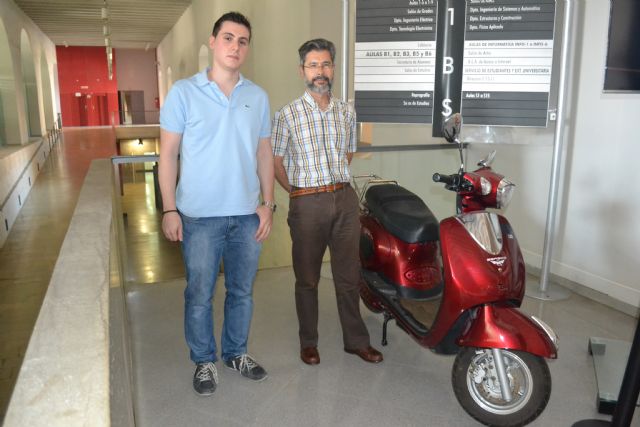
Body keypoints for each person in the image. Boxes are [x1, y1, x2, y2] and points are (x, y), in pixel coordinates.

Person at [158, 11, 275, 396]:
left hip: (245, 217)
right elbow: (168, 154)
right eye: (228, 38)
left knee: (242, 291)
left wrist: (267, 204)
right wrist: (169, 208)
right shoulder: (183, 93)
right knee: (199, 294)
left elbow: (263, 154)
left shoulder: (257, 97)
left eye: (242, 41)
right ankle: (204, 361)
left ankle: (236, 353)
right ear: (213, 42)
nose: (235, 47)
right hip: (199, 218)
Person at [271, 38, 383, 366]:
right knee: (307, 278)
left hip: (345, 200)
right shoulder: (287, 114)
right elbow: (275, 162)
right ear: (302, 70)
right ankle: (309, 342)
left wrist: (335, 184)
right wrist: (298, 192)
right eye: (313, 65)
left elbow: (348, 152)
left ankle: (356, 341)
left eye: (325, 64)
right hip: (307, 203)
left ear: (333, 68)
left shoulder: (347, 113)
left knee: (349, 275)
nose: (320, 71)